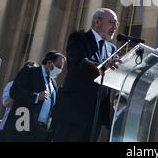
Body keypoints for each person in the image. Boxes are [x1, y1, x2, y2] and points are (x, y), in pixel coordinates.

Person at [52, 8, 122, 142]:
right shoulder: (79, 38)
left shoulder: (111, 49)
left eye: (116, 24)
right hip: (73, 112)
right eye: (112, 22)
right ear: (97, 22)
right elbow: (78, 64)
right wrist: (102, 66)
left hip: (96, 116)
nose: (115, 27)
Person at [3, 51, 65, 142]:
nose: (59, 71)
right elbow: (15, 92)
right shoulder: (30, 71)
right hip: (24, 123)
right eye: (58, 67)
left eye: (61, 68)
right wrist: (36, 97)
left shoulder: (53, 83)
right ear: (49, 63)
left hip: (42, 131)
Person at [0, 61, 38, 142]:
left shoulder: (36, 89)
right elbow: (6, 103)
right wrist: (20, 92)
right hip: (8, 127)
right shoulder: (12, 84)